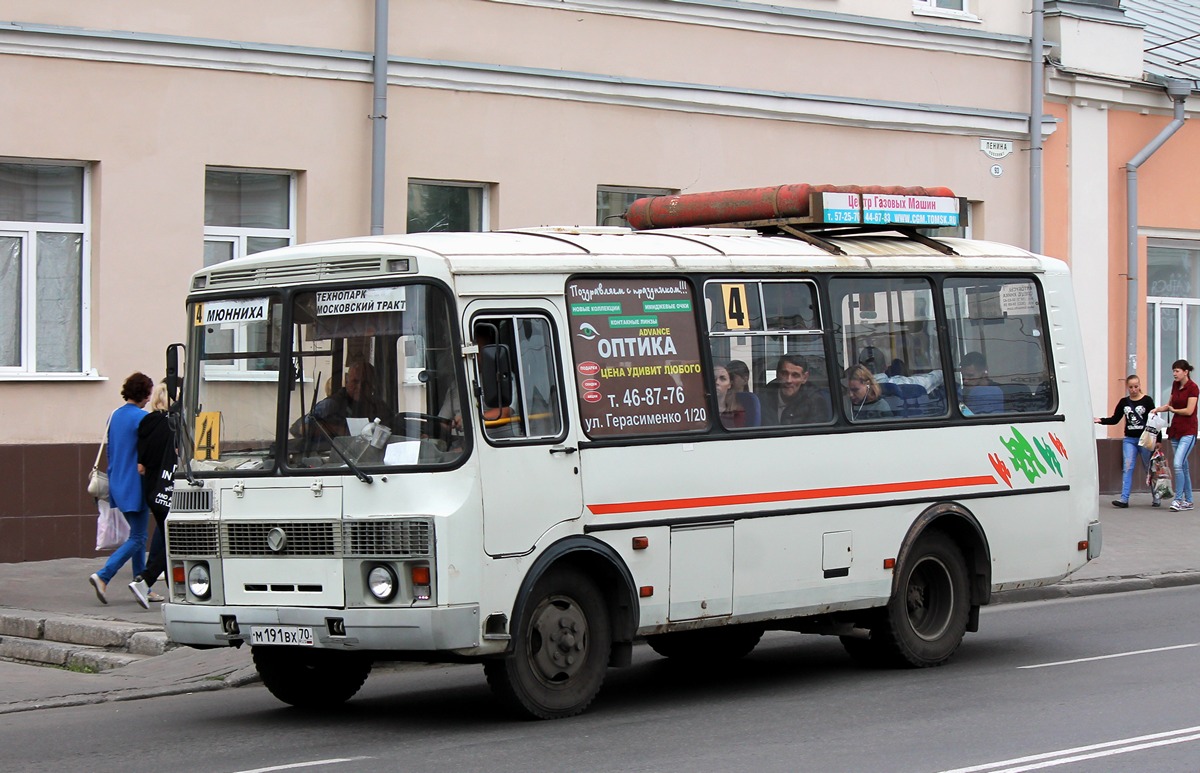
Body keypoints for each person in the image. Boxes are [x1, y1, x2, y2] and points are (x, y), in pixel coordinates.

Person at [88, 372, 153, 605]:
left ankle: (142, 584)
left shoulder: (113, 415)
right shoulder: (143, 418)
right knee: (138, 536)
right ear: (144, 394)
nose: (149, 399)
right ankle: (104, 575)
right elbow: (148, 454)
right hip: (136, 483)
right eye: (148, 394)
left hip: (117, 481)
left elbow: (110, 451)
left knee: (136, 533)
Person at [130, 382, 176, 607]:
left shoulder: (146, 422)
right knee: (173, 538)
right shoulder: (174, 425)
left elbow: (141, 465)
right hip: (170, 489)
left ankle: (173, 591)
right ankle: (145, 580)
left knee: (165, 536)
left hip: (152, 490)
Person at [1095, 374, 1159, 508]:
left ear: (1140, 386)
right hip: (1129, 440)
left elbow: (1154, 421)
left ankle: (1156, 496)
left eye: (1136, 386)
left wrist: (1158, 440)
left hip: (1145, 440)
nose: (1134, 389)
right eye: (1131, 387)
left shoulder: (1147, 401)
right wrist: (1101, 420)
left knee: (1148, 468)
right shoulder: (1124, 402)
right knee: (1128, 467)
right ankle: (1124, 499)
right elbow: (1115, 419)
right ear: (1127, 387)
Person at [298, 360, 389, 438]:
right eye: (355, 381)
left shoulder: (379, 406)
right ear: (347, 382)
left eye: (366, 383)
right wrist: (338, 430)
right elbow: (300, 428)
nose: (360, 387)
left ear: (373, 385)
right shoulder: (331, 405)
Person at [1153, 359, 1200, 512]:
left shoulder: (1193, 388)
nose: (1174, 374)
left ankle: (1178, 500)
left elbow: (1189, 410)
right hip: (1175, 430)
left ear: (1186, 372)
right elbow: (1170, 404)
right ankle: (1189, 501)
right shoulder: (1175, 385)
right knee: (1183, 467)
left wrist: (1174, 410)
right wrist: (1158, 409)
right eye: (1173, 371)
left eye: (1177, 371)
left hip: (1189, 431)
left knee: (1178, 464)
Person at [759, 354, 830, 425]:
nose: (788, 380)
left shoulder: (814, 401)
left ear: (804, 378)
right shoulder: (764, 397)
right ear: (777, 374)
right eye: (784, 373)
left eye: (795, 375)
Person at [714, 364, 761, 428]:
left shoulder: (737, 413)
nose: (717, 382)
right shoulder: (701, 409)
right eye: (713, 378)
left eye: (722, 379)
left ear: (730, 384)